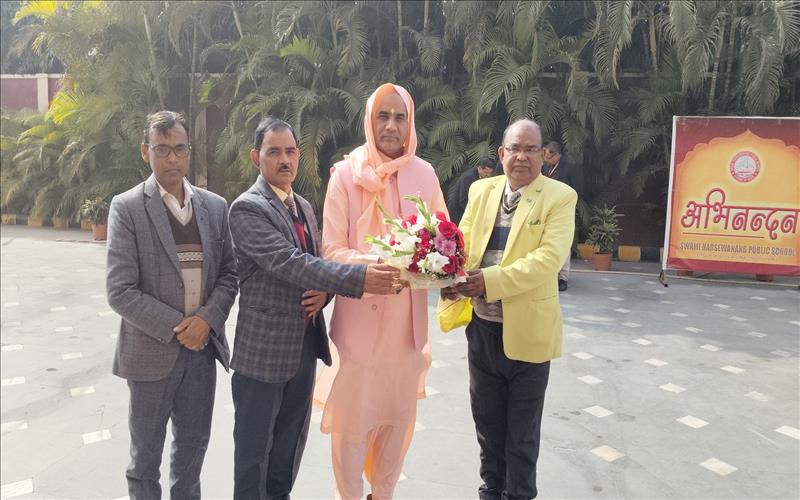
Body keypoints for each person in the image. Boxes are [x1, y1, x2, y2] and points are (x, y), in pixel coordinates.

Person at [227, 116, 402, 500]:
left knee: (289, 449)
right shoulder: (247, 209)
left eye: (291, 151)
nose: (284, 160)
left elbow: (320, 263)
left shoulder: (303, 206)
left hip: (303, 350)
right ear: (256, 157)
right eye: (274, 152)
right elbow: (290, 263)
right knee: (254, 457)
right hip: (262, 355)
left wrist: (326, 293)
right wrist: (359, 279)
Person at [315, 83, 447, 499]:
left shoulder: (424, 175)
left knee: (396, 424)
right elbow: (331, 249)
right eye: (382, 117)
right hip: (357, 331)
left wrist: (439, 263)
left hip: (405, 334)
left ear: (410, 123)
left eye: (399, 117)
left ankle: (383, 494)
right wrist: (385, 261)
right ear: (369, 122)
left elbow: (444, 240)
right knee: (352, 427)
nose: (391, 126)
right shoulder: (345, 175)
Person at [441, 119, 577, 500]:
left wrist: (488, 281)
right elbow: (461, 245)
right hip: (482, 332)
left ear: (543, 156)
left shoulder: (560, 197)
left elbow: (547, 261)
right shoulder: (481, 190)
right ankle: (490, 492)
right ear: (501, 153)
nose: (522, 157)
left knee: (521, 437)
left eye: (531, 149)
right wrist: (449, 278)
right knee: (488, 428)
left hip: (529, 337)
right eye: (515, 148)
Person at [106, 110, 239, 500]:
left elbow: (229, 273)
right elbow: (120, 290)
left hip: (201, 353)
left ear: (189, 152)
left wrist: (207, 321)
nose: (172, 159)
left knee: (191, 455)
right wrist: (182, 327)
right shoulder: (128, 208)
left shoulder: (214, 207)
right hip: (151, 354)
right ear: (145, 151)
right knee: (145, 462)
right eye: (162, 150)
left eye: (180, 149)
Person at [542, 141, 581, 291]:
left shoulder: (570, 166)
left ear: (557, 155)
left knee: (563, 241)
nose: (546, 160)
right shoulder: (545, 167)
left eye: (549, 157)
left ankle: (562, 277)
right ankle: (549, 275)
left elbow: (577, 189)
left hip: (564, 209)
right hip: (546, 208)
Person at [446, 156, 496, 225]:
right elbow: (463, 200)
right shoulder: (469, 178)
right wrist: (474, 214)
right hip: (457, 213)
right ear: (479, 168)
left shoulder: (482, 177)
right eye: (486, 172)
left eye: (490, 173)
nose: (488, 175)